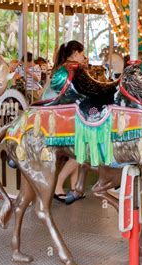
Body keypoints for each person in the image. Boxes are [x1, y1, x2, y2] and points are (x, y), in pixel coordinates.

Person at [51, 41, 88, 205]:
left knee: (78, 152)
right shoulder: (70, 70)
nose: (83, 57)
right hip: (67, 118)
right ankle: (58, 184)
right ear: (75, 53)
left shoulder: (65, 68)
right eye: (81, 53)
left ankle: (75, 187)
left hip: (67, 115)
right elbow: (78, 93)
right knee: (81, 152)